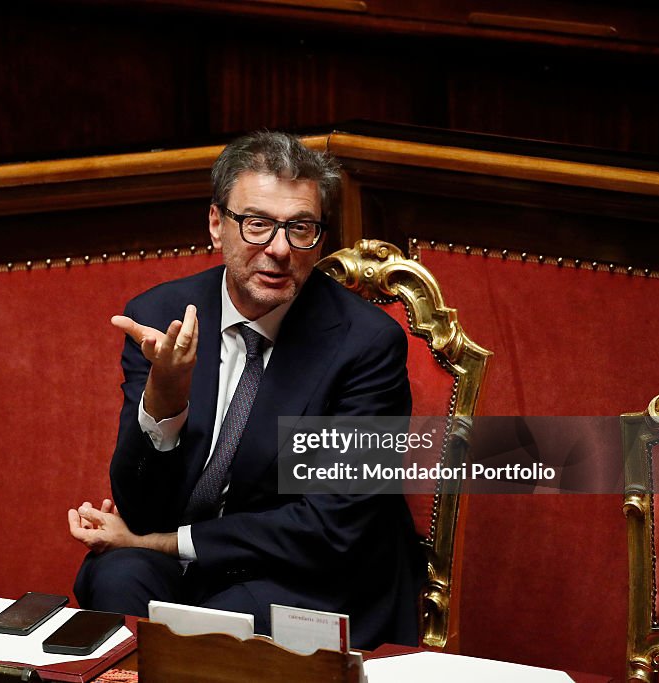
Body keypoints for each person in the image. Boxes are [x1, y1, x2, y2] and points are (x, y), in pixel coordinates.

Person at [67, 131, 422, 648]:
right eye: (257, 224)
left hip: (309, 576)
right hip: (201, 565)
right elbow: (138, 505)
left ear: (319, 237)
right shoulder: (160, 315)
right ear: (217, 224)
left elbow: (331, 527)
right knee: (117, 577)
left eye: (300, 228)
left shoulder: (365, 344)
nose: (279, 249)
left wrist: (163, 543)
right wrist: (165, 397)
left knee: (218, 624)